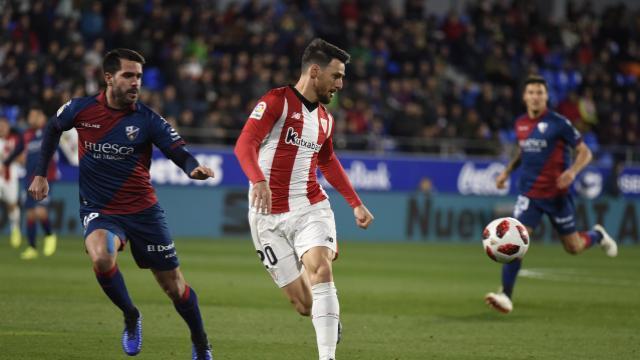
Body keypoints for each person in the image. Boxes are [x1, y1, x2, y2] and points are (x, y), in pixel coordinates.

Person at [28, 48, 215, 359]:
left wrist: (191, 167)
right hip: (100, 209)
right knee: (101, 257)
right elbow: (52, 128)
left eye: (139, 76)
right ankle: (131, 315)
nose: (136, 82)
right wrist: (40, 174)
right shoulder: (81, 109)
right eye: (129, 75)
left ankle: (200, 341)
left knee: (175, 288)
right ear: (108, 78)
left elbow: (178, 150)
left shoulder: (148, 119)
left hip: (144, 212)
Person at [234, 38, 374, 360]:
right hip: (266, 215)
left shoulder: (325, 119)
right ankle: (327, 316)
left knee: (321, 269)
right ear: (315, 71)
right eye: (336, 76)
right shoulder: (276, 102)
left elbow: (328, 161)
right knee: (304, 305)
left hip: (310, 206)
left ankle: (327, 357)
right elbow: (244, 145)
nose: (340, 84)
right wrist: (258, 180)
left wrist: (355, 202)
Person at [485, 75, 618, 314]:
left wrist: (572, 172)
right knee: (516, 242)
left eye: (540, 93)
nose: (536, 96)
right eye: (532, 92)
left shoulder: (559, 123)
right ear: (525, 96)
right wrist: (506, 172)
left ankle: (596, 235)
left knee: (574, 247)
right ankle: (505, 295)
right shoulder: (520, 124)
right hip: (530, 196)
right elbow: (523, 152)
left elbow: (585, 152)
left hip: (558, 196)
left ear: (546, 97)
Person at [19, 106, 59, 259]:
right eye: (30, 116)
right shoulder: (26, 135)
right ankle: (32, 247)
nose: (31, 119)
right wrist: (8, 162)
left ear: (42, 117)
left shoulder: (49, 132)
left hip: (45, 178)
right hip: (29, 179)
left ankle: (49, 235)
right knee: (30, 214)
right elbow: (19, 151)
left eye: (34, 115)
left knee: (40, 211)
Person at [0, 115, 23, 249]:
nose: (2, 128)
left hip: (10, 176)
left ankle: (15, 229)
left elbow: (21, 158)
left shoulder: (15, 140)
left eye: (4, 125)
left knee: (12, 204)